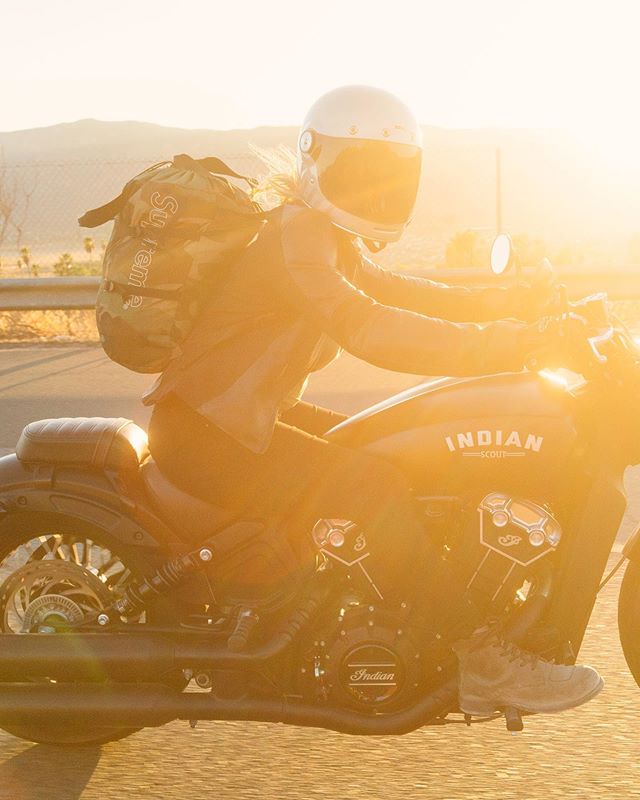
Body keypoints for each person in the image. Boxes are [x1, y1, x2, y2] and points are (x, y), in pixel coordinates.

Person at [145, 85, 603, 715]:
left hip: (237, 418)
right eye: (363, 172)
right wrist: (509, 343)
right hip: (203, 432)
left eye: (389, 175)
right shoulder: (297, 232)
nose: (376, 190)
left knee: (395, 456)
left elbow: (404, 293)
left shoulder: (320, 233)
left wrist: (514, 306)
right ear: (319, 161)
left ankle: (384, 610)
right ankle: (481, 661)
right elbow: (368, 325)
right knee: (371, 487)